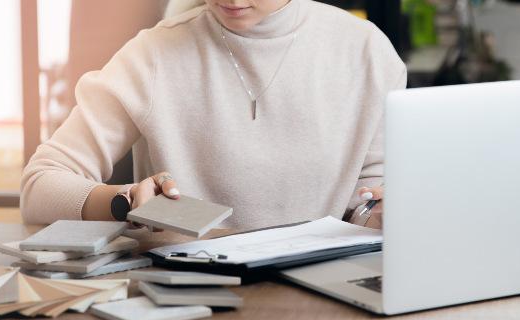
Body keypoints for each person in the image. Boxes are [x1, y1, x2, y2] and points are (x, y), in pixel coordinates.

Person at [20, 0, 405, 231]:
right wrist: (125, 202)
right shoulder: (153, 54)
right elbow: (40, 184)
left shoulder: (366, 52)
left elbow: (366, 202)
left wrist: (378, 215)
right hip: (188, 291)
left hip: (320, 296)